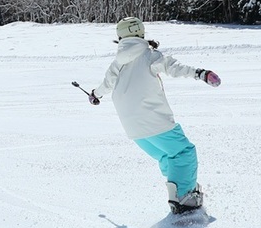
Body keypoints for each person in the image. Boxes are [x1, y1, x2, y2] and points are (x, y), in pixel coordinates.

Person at [88, 17, 221, 214]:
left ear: (120, 37)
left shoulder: (118, 62)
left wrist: (95, 95)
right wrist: (200, 73)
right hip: (153, 120)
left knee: (166, 157)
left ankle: (181, 188)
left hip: (133, 128)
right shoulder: (150, 56)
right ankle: (184, 197)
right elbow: (174, 68)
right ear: (141, 33)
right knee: (184, 153)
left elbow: (105, 86)